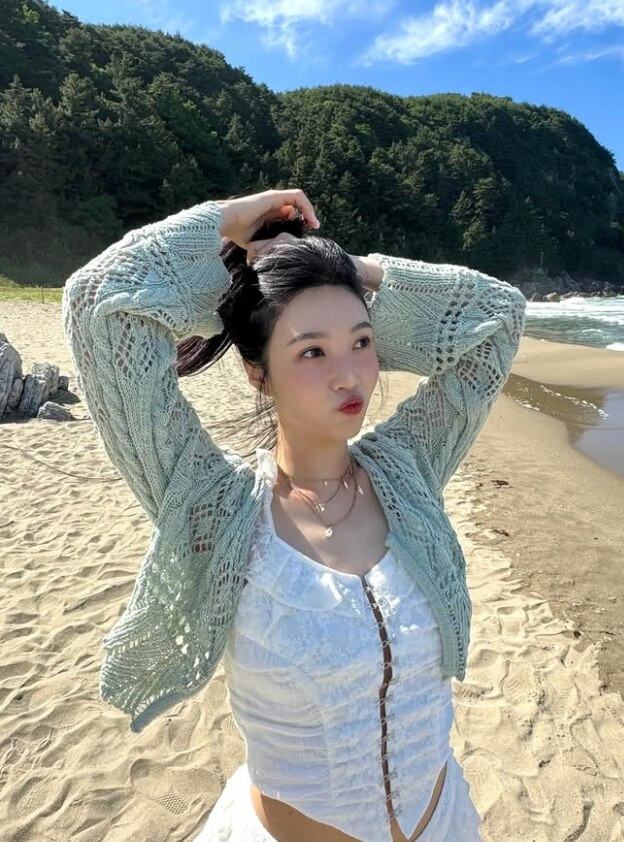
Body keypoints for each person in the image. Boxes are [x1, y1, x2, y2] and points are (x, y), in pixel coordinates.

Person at [63, 188, 527, 842]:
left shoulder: (409, 469)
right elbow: (98, 304)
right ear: (257, 373)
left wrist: (350, 269)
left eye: (362, 342)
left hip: (447, 823)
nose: (350, 376)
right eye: (312, 352)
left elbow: (499, 316)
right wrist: (227, 223)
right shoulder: (214, 507)